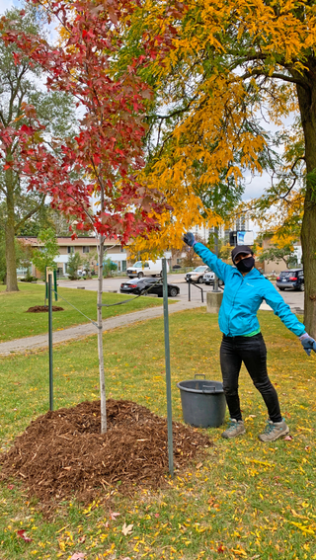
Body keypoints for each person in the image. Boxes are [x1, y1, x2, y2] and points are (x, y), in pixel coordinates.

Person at [183, 232, 316, 442]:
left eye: (246, 256)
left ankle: (278, 423)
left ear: (252, 256)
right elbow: (211, 259)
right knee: (228, 385)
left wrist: (302, 334)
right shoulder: (229, 274)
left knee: (261, 382)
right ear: (234, 262)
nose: (242, 260)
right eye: (238, 258)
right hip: (228, 342)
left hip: (251, 342)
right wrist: (196, 245)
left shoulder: (262, 284)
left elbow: (281, 309)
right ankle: (237, 422)